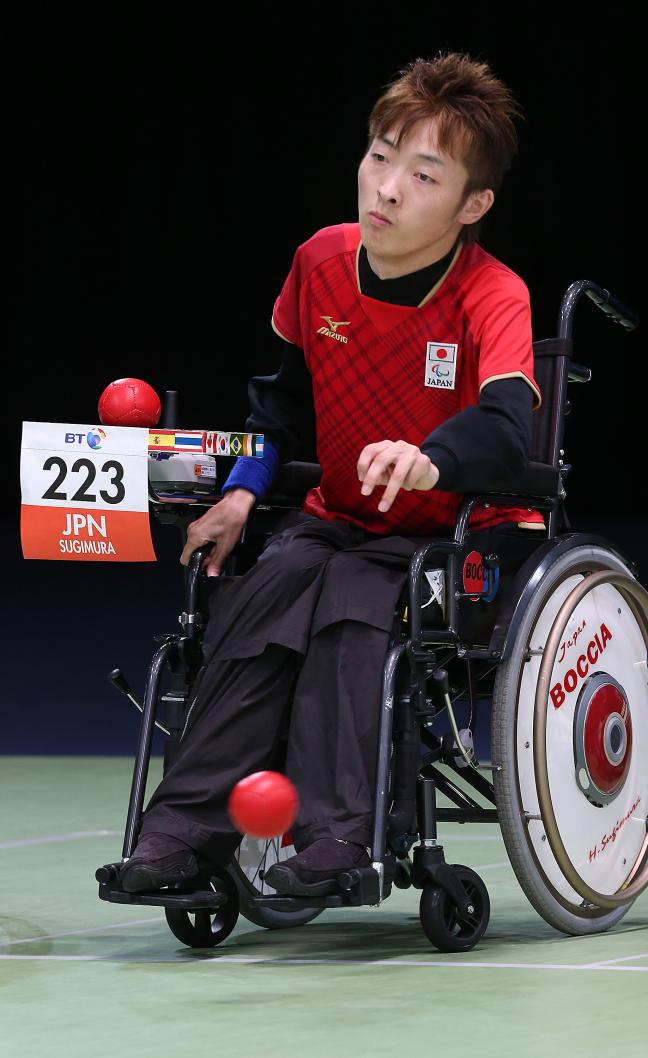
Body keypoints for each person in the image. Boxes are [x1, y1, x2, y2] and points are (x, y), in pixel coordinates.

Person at [119, 51, 543, 898]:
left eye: (423, 174)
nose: (386, 188)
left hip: (458, 539)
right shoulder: (319, 262)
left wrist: (431, 455)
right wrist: (241, 490)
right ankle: (182, 833)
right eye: (380, 155)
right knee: (262, 595)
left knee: (350, 606)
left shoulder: (492, 295)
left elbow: (510, 428)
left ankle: (339, 843)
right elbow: (279, 404)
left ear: (473, 204)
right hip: (339, 517)